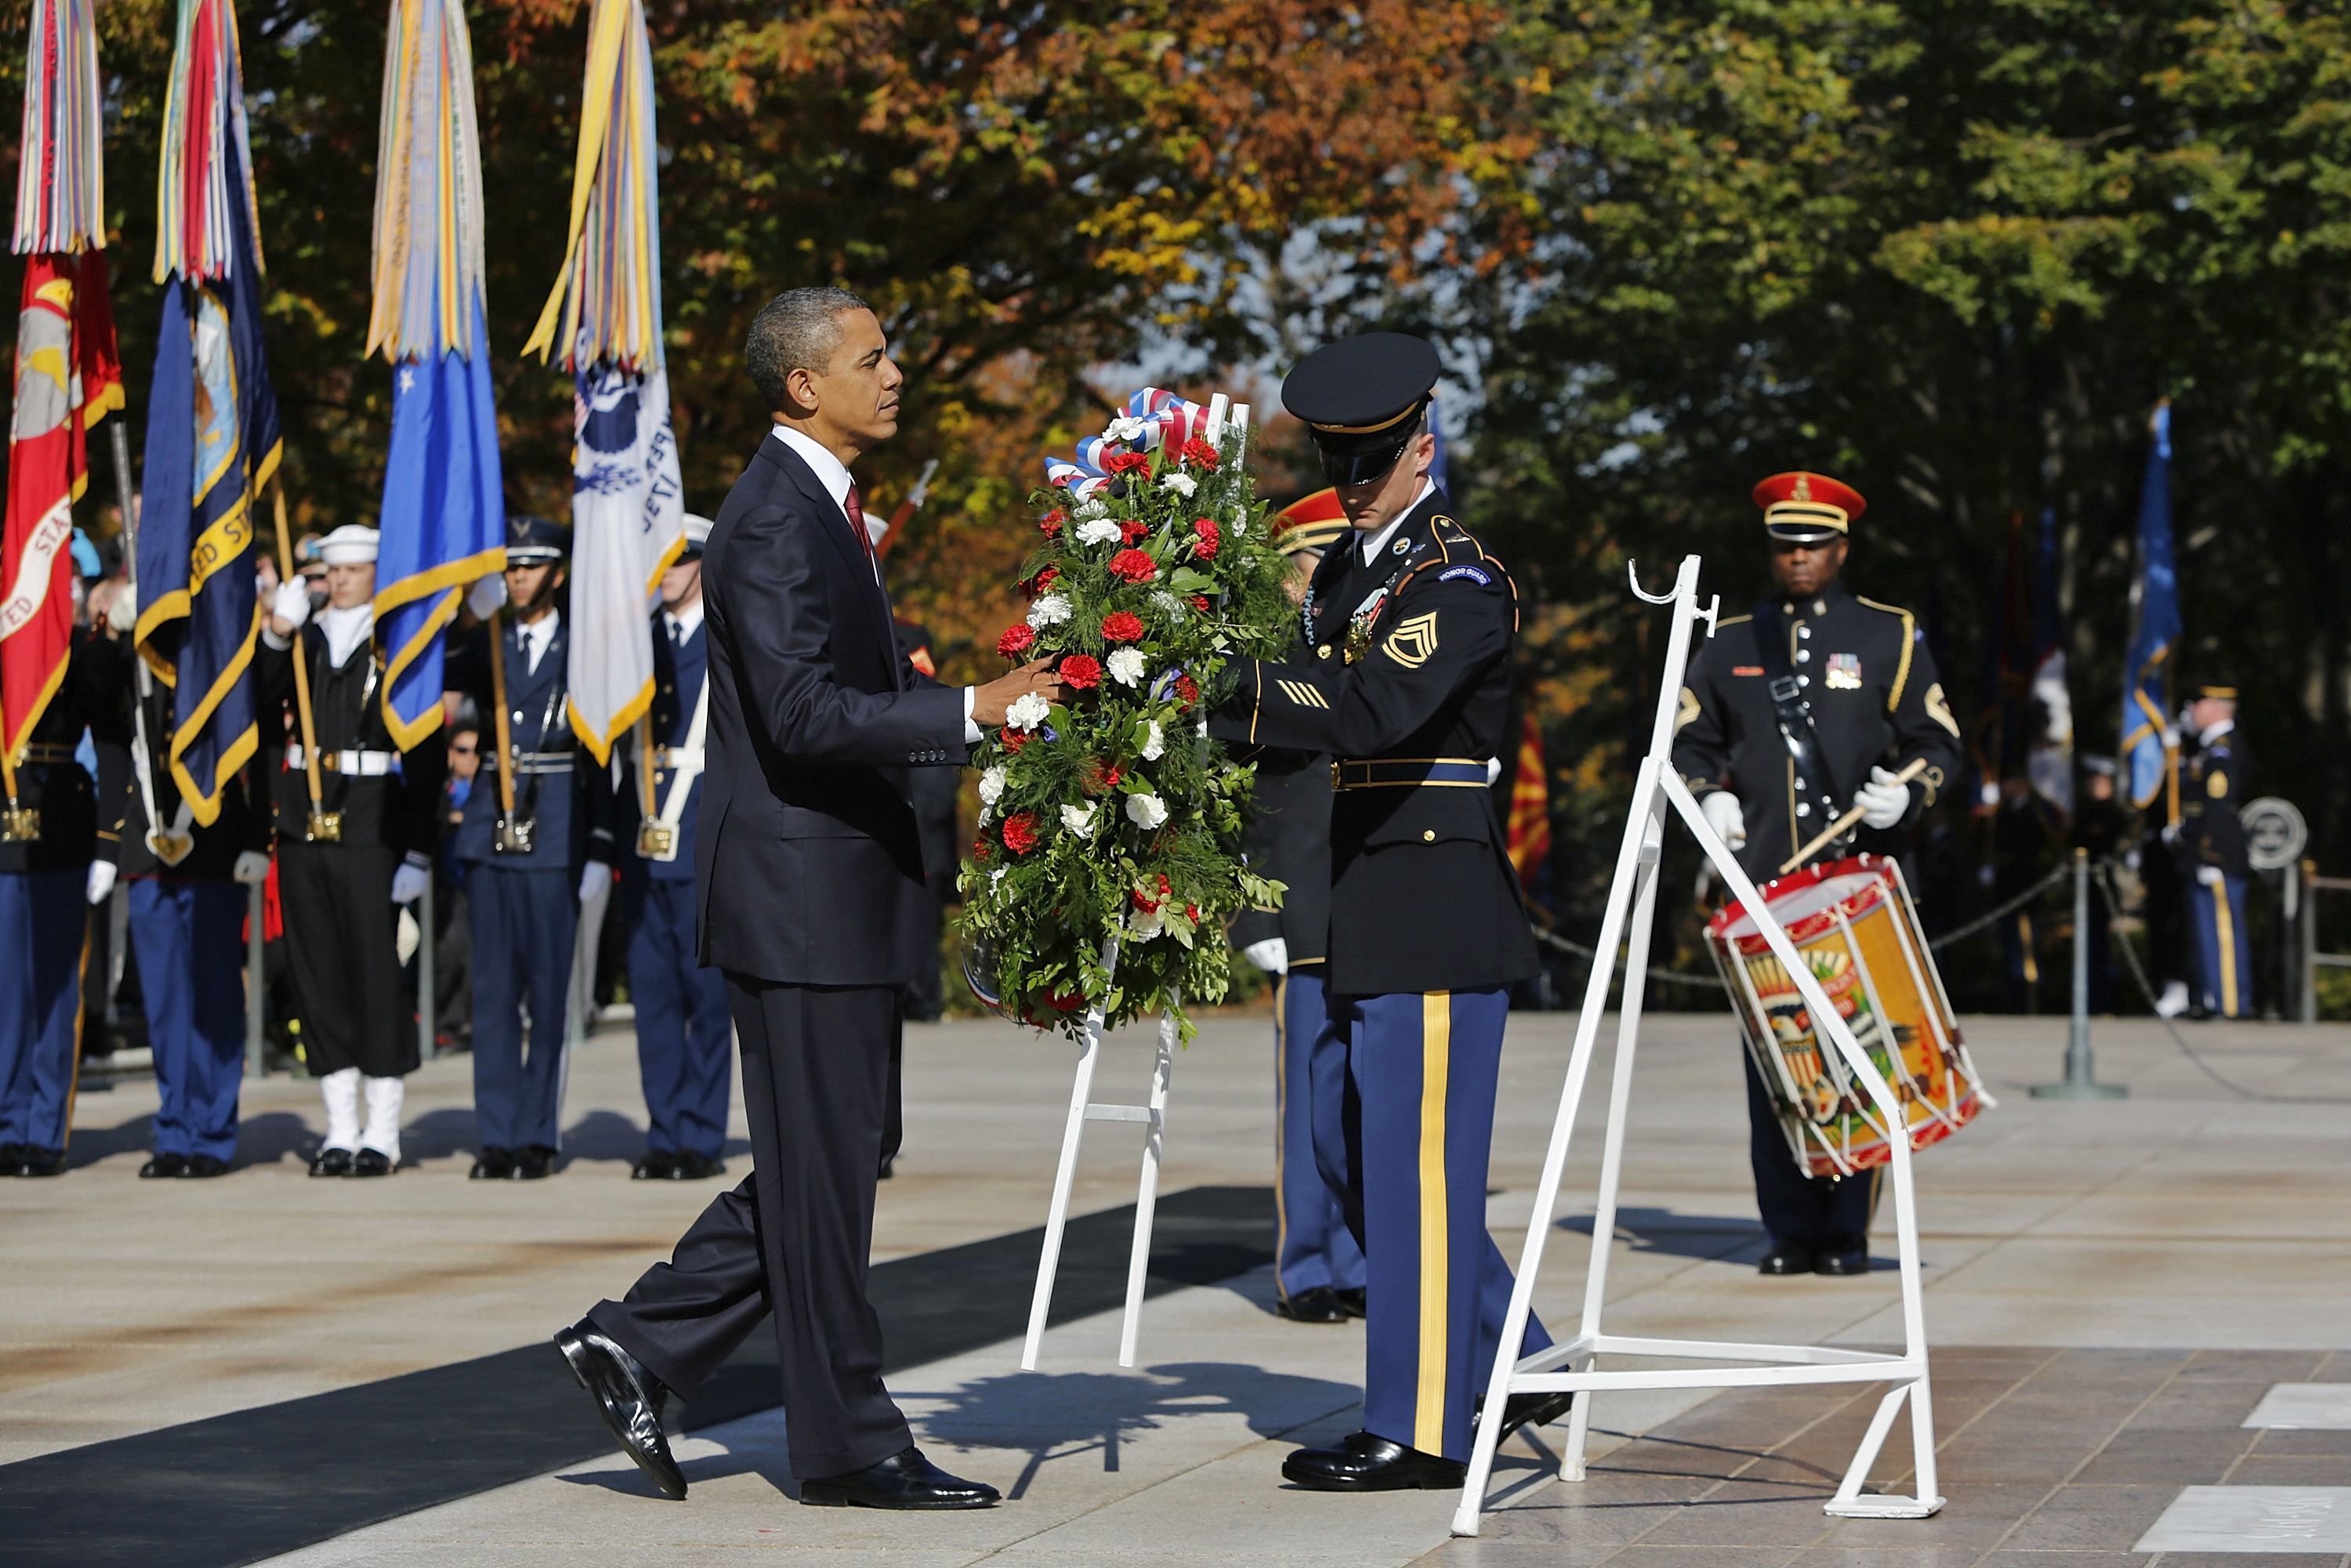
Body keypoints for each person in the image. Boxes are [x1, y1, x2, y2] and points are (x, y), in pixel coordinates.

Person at [554, 286, 1058, 1510]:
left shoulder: (823, 507)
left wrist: (937, 698)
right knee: (828, 1163)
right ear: (803, 386)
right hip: (799, 893)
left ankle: (645, 1338)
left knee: (838, 1153)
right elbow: (800, 717)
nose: (895, 375)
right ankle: (848, 1442)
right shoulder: (776, 516)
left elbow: (834, 689)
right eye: (872, 359)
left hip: (831, 888)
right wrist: (972, 710)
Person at [1206, 331, 1567, 1493]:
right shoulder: (1357, 577)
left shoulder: (1455, 579)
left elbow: (1368, 713)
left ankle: (1421, 1429)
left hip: (1433, 909)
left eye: (1371, 463)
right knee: (1370, 1166)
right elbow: (1303, 715)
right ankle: (1521, 1356)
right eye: (1336, 463)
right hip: (1371, 901)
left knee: (1411, 1175)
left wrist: (1240, 689)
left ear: (1420, 449)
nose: (1352, 483)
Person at [1671, 471, 1962, 1276]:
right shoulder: (1731, 643)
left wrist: (1904, 794)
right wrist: (1708, 801)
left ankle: (1847, 1230)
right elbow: (1689, 745)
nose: (1797, 559)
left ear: (1841, 549)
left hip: (1855, 890)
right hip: (1765, 888)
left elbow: (1938, 743)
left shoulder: (1888, 637)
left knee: (1860, 1056)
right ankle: (1788, 1227)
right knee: (1777, 1058)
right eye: (1784, 546)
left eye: (1811, 546)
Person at [259, 524, 445, 1176]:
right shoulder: (304, 638)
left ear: (376, 571)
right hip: (305, 827)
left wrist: (420, 850)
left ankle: (383, 1130)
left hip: (372, 827)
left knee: (374, 977)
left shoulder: (397, 644)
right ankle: (339, 1126)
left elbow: (424, 756)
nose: (337, 580)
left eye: (352, 569)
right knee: (319, 979)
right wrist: (276, 634)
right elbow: (256, 702)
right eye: (330, 570)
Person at [1228, 494, 1367, 1325]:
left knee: (1369, 1099)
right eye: (1314, 562)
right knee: (1313, 1106)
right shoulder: (1257, 663)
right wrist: (1255, 920)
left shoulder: (1370, 647)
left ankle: (1360, 1259)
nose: (1322, 577)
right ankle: (1309, 1264)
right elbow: (1236, 795)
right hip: (1300, 910)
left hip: (1372, 906)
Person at [444, 516, 614, 1180]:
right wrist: (466, 611)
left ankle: (538, 1132)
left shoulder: (586, 647)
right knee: (492, 991)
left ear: (558, 573)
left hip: (556, 830)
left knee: (548, 992)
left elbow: (601, 758)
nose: (518, 576)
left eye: (533, 565)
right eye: (511, 566)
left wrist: (599, 844)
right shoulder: (484, 641)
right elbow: (436, 667)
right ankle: (497, 1135)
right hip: (491, 828)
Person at [103, 578, 272, 1178]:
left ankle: (214, 1130)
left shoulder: (229, 644)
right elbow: (104, 703)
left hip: (215, 844)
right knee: (166, 1002)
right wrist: (119, 633)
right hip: (148, 845)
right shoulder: (142, 653)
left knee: (215, 998)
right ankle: (174, 1128)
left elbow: (261, 740)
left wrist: (257, 838)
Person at [618, 514, 732, 1182]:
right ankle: (663, 1131)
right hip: (641, 844)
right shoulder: (633, 649)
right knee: (654, 1001)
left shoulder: (724, 646)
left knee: (707, 1003)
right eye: (659, 563)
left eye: (680, 561)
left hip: (701, 845)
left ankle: (701, 1134)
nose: (667, 575)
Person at [0, 589, 129, 1179]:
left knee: (54, 989)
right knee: (6, 993)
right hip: (4, 818)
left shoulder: (90, 655)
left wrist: (108, 843)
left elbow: (113, 748)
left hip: (63, 824)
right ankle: (6, 1121)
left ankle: (44, 1128)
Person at [2175, 680, 2252, 1019]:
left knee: (2222, 932)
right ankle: (2210, 998)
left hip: (2216, 856)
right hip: (2199, 854)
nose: (2194, 710)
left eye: (2200, 703)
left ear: (2218, 707)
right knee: (2205, 933)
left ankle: (2231, 1002)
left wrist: (2210, 854)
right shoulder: (2207, 748)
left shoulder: (2223, 748)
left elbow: (2220, 810)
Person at [2073, 755, 2125, 1015]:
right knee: (2088, 948)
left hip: (2100, 885)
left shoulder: (2111, 812)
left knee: (2102, 947)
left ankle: (2104, 1001)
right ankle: (2091, 1001)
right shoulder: (2086, 810)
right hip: (2086, 886)